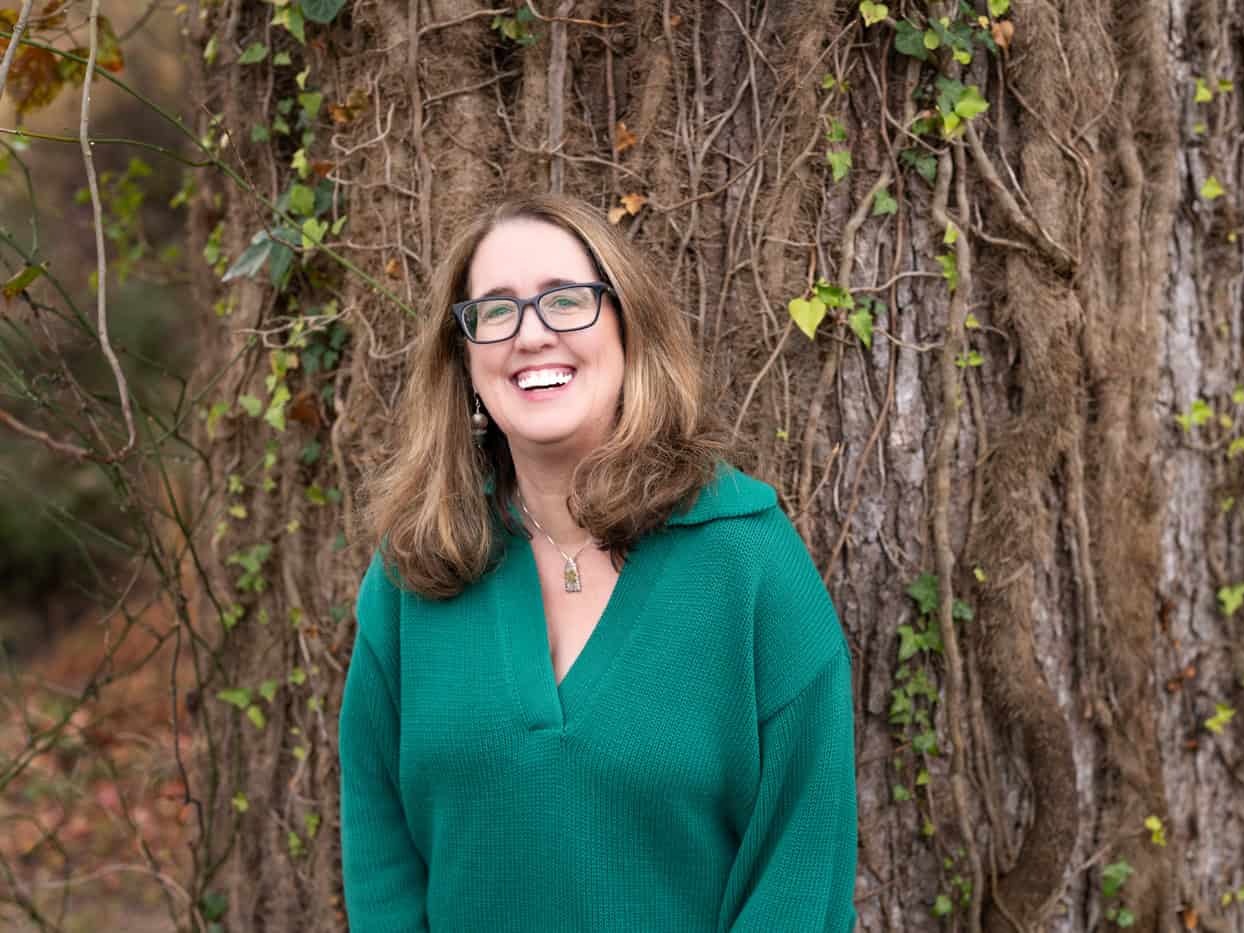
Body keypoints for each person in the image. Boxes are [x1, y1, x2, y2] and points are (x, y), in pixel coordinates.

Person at [338, 192, 857, 932]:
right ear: (466, 359)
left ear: (627, 326)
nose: (531, 334)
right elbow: (380, 854)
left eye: (565, 300)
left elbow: (801, 870)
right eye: (496, 311)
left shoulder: (749, 566)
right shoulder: (416, 569)